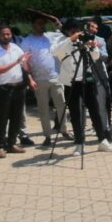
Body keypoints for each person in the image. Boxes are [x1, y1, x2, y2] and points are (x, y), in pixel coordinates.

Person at [52, 19, 112, 157]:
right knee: (75, 114)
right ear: (67, 31)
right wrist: (71, 39)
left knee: (95, 111)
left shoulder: (83, 40)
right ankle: (79, 143)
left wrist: (93, 47)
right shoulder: (61, 41)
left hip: (87, 80)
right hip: (71, 82)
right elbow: (54, 51)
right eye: (72, 31)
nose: (76, 33)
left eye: (77, 30)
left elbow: (95, 56)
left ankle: (102, 140)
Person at [21, 12, 71, 146]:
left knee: (61, 106)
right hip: (39, 79)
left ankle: (64, 130)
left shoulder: (51, 36)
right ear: (33, 25)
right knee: (43, 109)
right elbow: (24, 62)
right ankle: (47, 135)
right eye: (39, 23)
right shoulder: (27, 41)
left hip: (56, 76)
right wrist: (30, 79)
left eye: (43, 23)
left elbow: (66, 34)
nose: (42, 26)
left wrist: (56, 22)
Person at [0, 25, 33, 158]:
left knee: (17, 117)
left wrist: (26, 63)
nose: (6, 37)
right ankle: (0, 146)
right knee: (2, 118)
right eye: (3, 34)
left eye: (8, 34)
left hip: (19, 87)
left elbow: (25, 67)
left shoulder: (16, 48)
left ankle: (11, 144)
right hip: (3, 88)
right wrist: (17, 62)